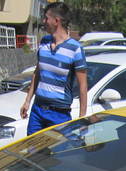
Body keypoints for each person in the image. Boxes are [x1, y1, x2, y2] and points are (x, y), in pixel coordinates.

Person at [20, 2, 88, 135]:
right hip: (37, 111)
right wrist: (27, 101)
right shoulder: (44, 42)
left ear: (56, 21)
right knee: (32, 153)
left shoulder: (75, 49)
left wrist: (81, 120)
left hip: (59, 115)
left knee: (58, 154)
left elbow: (83, 88)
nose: (44, 21)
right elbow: (37, 73)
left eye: (46, 18)